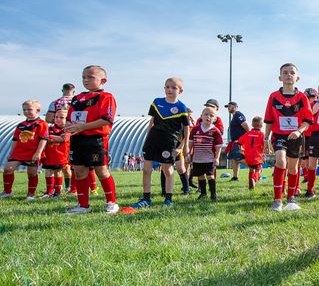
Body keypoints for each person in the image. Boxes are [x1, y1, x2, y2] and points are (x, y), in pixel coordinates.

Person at [64, 66, 123, 214]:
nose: (86, 80)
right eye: (84, 77)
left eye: (90, 77)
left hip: (95, 139)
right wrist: (69, 126)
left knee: (101, 171)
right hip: (77, 139)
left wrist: (83, 127)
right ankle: (83, 206)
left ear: (102, 80)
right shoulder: (76, 99)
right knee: (79, 172)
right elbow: (69, 119)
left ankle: (112, 203)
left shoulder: (106, 97)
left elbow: (106, 120)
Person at [130, 77, 190, 208]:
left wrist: (182, 147)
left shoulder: (181, 107)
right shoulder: (156, 102)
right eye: (167, 87)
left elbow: (186, 128)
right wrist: (147, 138)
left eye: (174, 87)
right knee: (146, 169)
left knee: (167, 171)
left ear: (180, 91)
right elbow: (151, 121)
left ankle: (168, 200)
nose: (170, 89)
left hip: (169, 142)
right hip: (153, 139)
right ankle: (146, 199)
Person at [263, 63, 314, 212]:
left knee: (292, 167)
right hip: (279, 136)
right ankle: (277, 200)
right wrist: (266, 139)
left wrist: (299, 131)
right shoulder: (273, 97)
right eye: (285, 73)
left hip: (296, 136)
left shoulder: (302, 97)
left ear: (297, 77)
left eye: (292, 72)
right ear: (280, 77)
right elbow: (269, 120)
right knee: (280, 160)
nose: (288, 75)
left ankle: (291, 198)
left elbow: (308, 120)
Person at [1, 100, 48, 200]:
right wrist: (11, 152)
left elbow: (43, 139)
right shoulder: (21, 125)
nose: (26, 111)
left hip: (32, 153)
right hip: (18, 152)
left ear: (38, 110)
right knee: (8, 169)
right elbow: (15, 140)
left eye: (29, 109)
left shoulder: (42, 124)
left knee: (32, 173)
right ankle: (7, 192)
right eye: (24, 110)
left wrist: (38, 152)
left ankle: (31, 194)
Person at [189, 107, 224, 201]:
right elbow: (190, 143)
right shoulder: (195, 129)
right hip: (197, 158)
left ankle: (213, 195)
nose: (208, 117)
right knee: (200, 176)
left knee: (210, 176)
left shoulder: (215, 131)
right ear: (201, 116)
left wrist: (217, 158)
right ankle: (203, 194)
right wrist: (188, 154)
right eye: (206, 114)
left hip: (209, 158)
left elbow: (218, 146)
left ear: (215, 119)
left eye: (211, 115)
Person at [41, 109, 70, 199]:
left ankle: (57, 192)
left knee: (58, 173)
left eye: (61, 117)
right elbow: (41, 137)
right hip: (49, 155)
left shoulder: (68, 130)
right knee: (48, 172)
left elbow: (63, 139)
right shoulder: (49, 129)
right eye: (56, 117)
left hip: (60, 156)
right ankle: (49, 192)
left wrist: (48, 137)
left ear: (67, 119)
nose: (58, 119)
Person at [237, 116, 266, 190]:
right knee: (259, 170)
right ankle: (254, 179)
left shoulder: (247, 134)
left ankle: (251, 184)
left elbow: (239, 142)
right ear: (262, 125)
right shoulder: (262, 134)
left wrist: (241, 149)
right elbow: (265, 145)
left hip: (248, 156)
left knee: (251, 169)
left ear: (252, 125)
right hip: (257, 157)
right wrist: (267, 150)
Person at [225, 101, 249, 181]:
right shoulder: (234, 116)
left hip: (239, 142)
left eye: (230, 106)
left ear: (235, 107)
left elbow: (246, 126)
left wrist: (242, 139)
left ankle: (255, 168)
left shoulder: (238, 114)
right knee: (233, 158)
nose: (228, 108)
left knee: (238, 158)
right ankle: (235, 177)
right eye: (227, 107)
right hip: (234, 141)